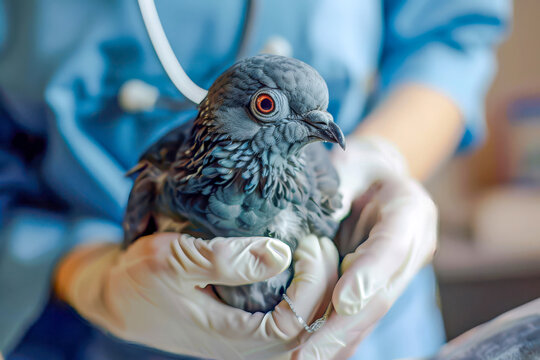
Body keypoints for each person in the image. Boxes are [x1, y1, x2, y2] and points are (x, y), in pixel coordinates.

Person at [0, 0, 510, 359]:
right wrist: (94, 280)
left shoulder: (318, 179)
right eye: (267, 107)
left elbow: (452, 32)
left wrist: (384, 160)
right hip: (88, 336)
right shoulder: (163, 180)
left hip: (361, 344)